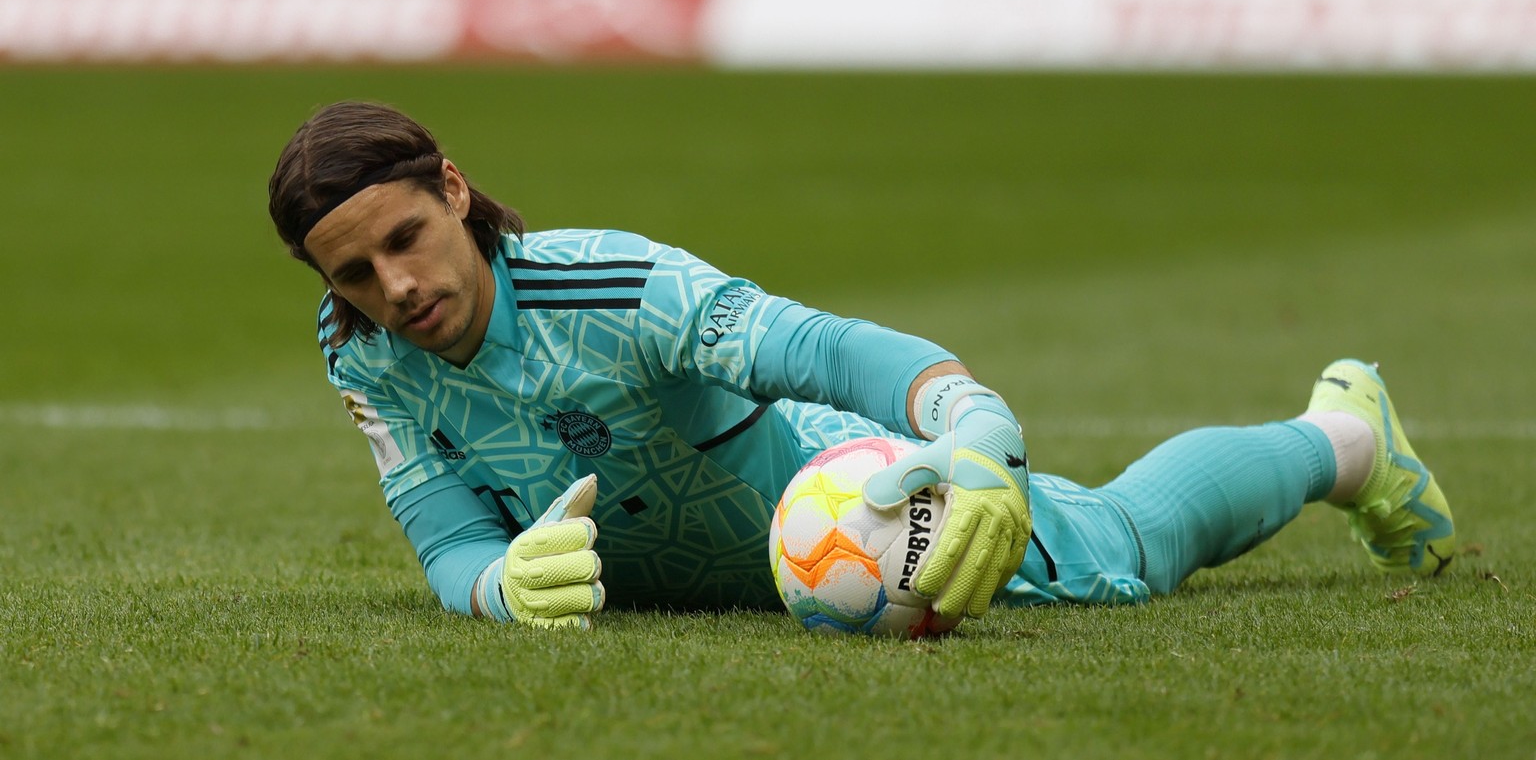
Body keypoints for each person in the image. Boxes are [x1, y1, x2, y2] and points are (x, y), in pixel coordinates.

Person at [267, 100, 1456, 630]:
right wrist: (496, 586)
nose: (395, 288)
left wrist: (974, 423)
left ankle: (1344, 437)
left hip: (856, 505)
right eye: (353, 273)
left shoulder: (616, 289)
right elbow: (445, 535)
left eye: (404, 240)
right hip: (701, 582)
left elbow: (830, 349)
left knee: (1129, 549)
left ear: (456, 194)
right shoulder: (358, 349)